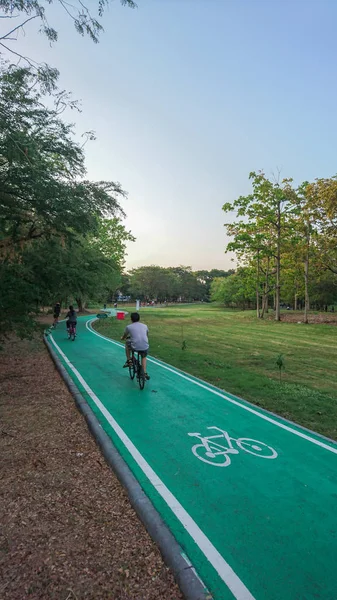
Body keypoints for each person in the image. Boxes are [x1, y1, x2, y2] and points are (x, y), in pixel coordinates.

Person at [121, 312, 150, 380]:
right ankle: (144, 372)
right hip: (145, 346)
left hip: (135, 346)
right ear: (139, 318)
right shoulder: (145, 326)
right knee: (143, 357)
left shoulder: (129, 327)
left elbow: (125, 336)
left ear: (131, 319)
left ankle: (129, 360)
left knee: (127, 343)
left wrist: (122, 338)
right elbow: (146, 334)